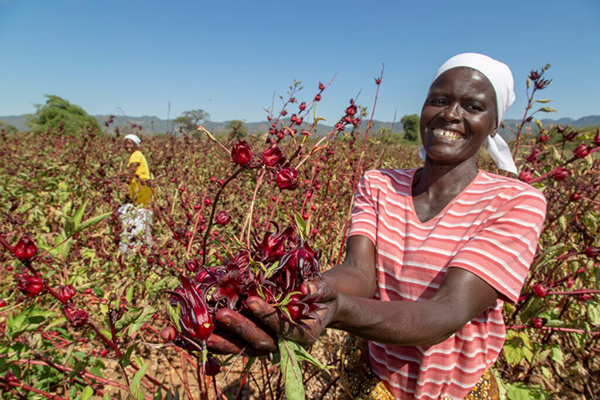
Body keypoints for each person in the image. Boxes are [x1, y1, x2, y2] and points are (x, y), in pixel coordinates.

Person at [207, 53, 548, 400]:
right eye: (439, 101)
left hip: (454, 390)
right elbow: (359, 272)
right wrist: (302, 293)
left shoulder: (515, 202)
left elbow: (446, 313)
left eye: (473, 106)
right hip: (376, 383)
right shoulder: (379, 184)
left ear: (494, 124)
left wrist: (334, 310)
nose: (451, 114)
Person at [119, 134, 154, 255]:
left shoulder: (136, 155)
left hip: (142, 186)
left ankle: (144, 240)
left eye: (130, 143)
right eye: (126, 143)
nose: (128, 146)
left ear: (136, 145)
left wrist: (124, 180)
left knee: (143, 210)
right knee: (141, 210)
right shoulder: (137, 155)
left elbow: (132, 170)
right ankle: (143, 238)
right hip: (140, 186)